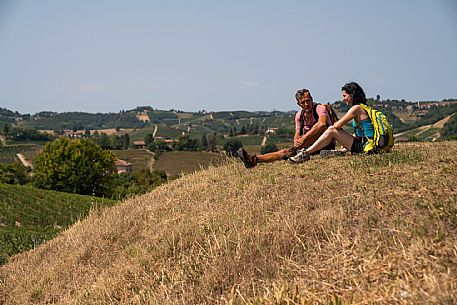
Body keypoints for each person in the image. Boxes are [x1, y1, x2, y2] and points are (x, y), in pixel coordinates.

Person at [237, 88, 336, 168]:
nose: (306, 104)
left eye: (308, 101)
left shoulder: (320, 108)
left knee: (320, 129)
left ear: (312, 99)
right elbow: (297, 134)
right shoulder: (299, 115)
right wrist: (297, 142)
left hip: (325, 142)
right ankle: (254, 160)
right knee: (286, 152)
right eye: (303, 102)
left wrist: (303, 139)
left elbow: (322, 124)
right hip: (309, 145)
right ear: (298, 104)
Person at [289, 82, 374, 163]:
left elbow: (336, 125)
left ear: (351, 95)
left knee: (331, 129)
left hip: (368, 148)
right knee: (332, 130)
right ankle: (341, 151)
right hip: (371, 145)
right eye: (303, 102)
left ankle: (306, 153)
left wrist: (303, 139)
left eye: (345, 96)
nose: (343, 99)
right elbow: (362, 132)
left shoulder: (356, 109)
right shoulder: (364, 107)